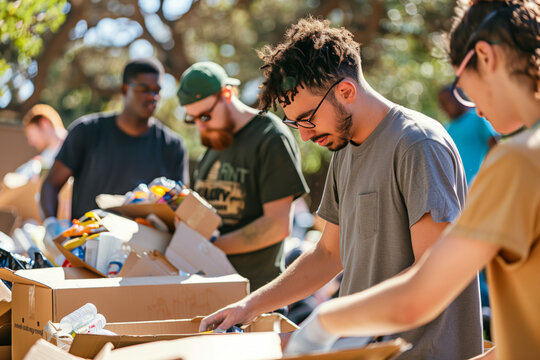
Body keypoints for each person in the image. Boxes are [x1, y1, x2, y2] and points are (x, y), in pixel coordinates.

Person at [200, 18, 483, 359]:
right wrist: (249, 306)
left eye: (308, 119)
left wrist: (327, 326)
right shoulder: (344, 151)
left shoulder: (418, 144)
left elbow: (433, 270)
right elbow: (327, 255)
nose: (304, 135)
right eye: (294, 124)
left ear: (346, 92)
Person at [274, 1, 540, 359]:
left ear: (485, 57)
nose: (471, 105)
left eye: (462, 84)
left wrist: (324, 321)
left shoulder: (519, 160)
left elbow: (420, 296)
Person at [176, 61, 309, 291]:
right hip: (208, 290)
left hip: (256, 296)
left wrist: (207, 246)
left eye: (205, 116)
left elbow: (277, 225)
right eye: (192, 119)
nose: (200, 127)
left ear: (226, 94)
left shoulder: (270, 137)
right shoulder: (216, 141)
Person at [41, 58, 189, 236]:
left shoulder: (172, 146)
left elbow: (181, 206)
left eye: (157, 90)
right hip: (87, 246)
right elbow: (51, 184)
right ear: (125, 89)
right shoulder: (87, 131)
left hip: (145, 253)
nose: (153, 96)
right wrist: (51, 225)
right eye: (144, 89)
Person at [438, 85, 499, 184]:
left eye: (447, 101)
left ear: (457, 97)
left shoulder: (477, 117)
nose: (444, 107)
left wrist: (489, 172)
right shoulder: (447, 129)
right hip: (462, 189)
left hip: (483, 182)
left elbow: (495, 145)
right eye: (442, 104)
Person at [3, 104, 67, 188]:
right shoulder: (44, 158)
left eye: (32, 135)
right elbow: (17, 177)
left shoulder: (73, 147)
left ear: (44, 123)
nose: (31, 142)